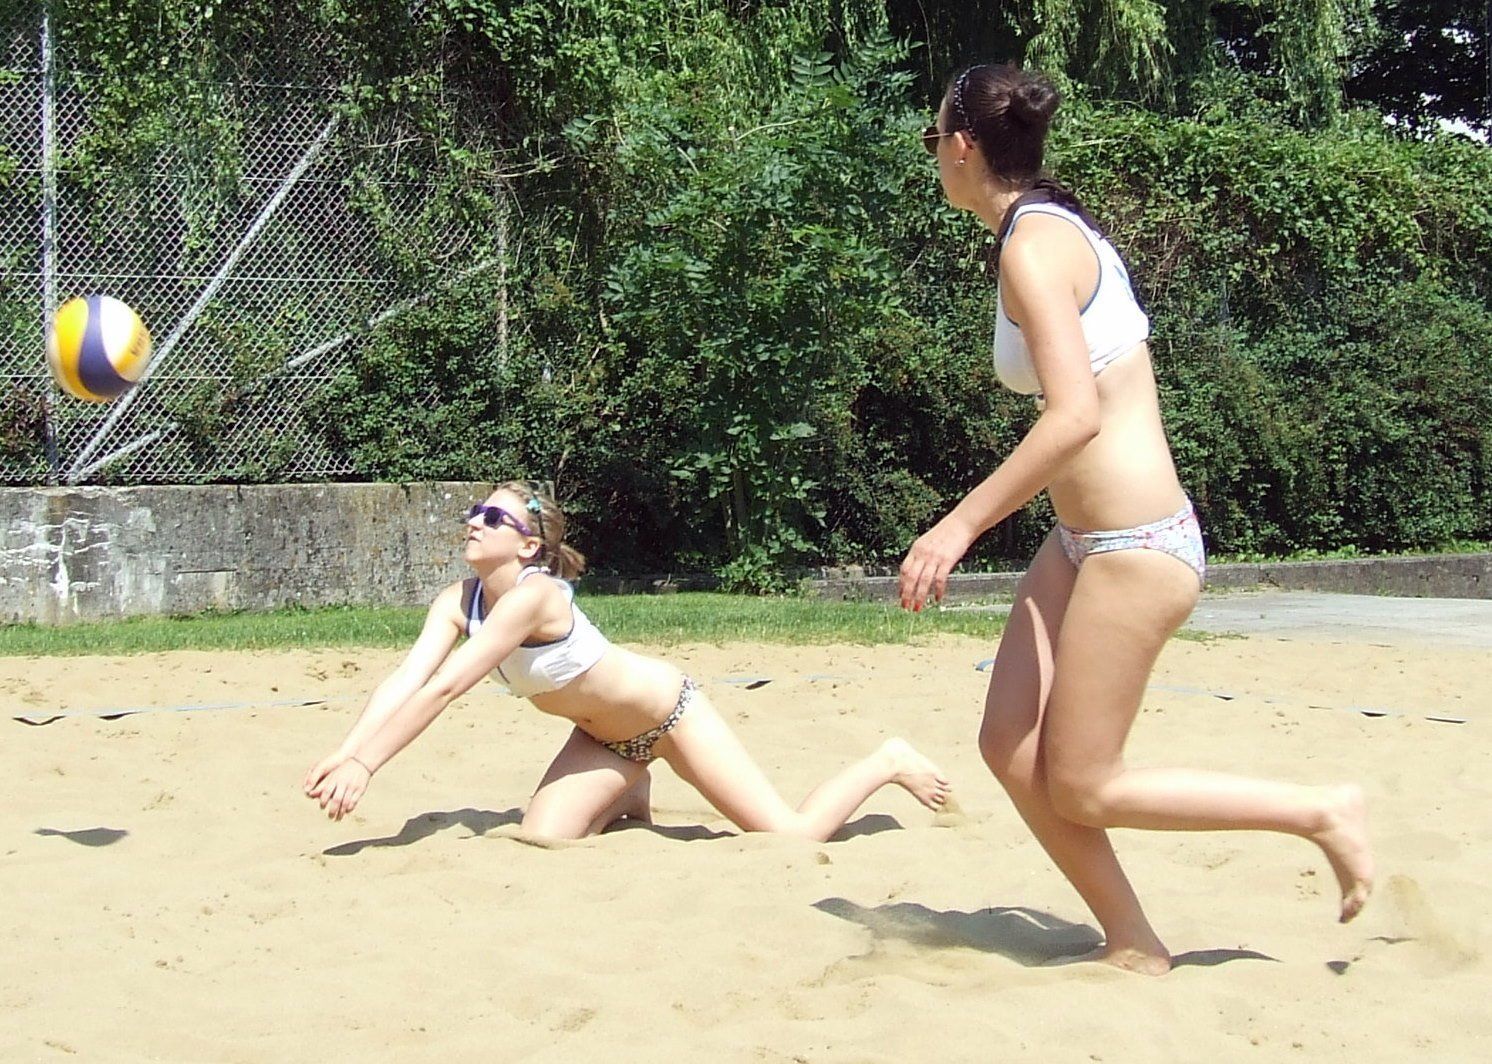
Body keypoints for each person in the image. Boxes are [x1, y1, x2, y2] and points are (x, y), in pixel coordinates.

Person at [899, 64, 1373, 974]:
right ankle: (1133, 941)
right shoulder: (1041, 229)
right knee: (1007, 744)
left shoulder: (1035, 246)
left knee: (1085, 783)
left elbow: (1074, 418)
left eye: (932, 140)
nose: (933, 157)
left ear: (962, 148)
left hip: (1136, 544)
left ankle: (1320, 811)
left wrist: (956, 527)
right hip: (1082, 542)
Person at [306, 479, 951, 841]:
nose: (475, 521)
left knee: (792, 836)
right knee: (544, 837)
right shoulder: (458, 601)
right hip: (603, 738)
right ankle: (632, 788)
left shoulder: (534, 598)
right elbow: (408, 679)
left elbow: (444, 689)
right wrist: (347, 751)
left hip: (671, 717)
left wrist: (368, 764)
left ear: (527, 547)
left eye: (493, 517)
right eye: (476, 512)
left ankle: (888, 761)